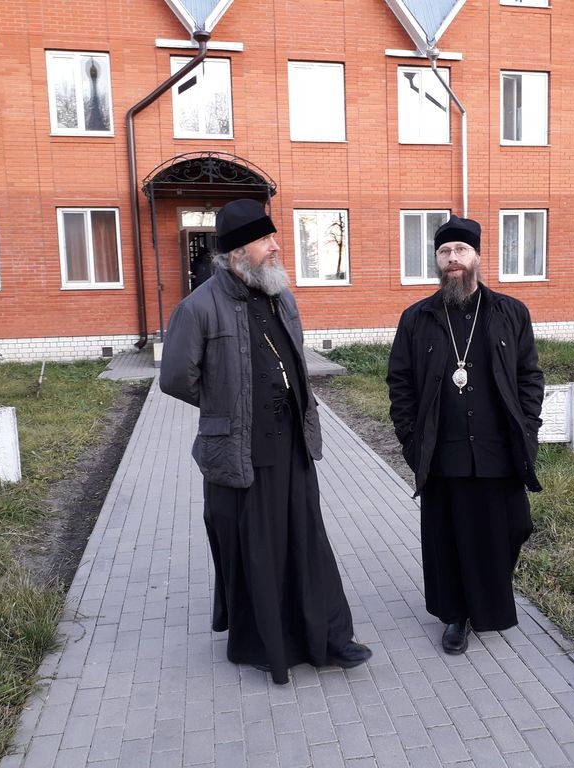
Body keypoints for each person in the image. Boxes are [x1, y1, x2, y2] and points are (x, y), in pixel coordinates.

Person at [159, 198, 372, 684]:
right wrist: (227, 405)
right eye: (264, 239)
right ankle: (265, 645)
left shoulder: (280, 296)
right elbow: (174, 379)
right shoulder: (198, 307)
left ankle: (330, 638)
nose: (276, 246)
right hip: (241, 453)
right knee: (258, 549)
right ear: (237, 252)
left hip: (292, 445)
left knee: (307, 543)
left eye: (273, 237)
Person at [386, 214, 545, 655]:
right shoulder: (417, 318)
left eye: (460, 250)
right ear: (437, 260)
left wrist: (528, 428)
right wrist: (411, 440)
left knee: (510, 526)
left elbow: (529, 376)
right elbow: (400, 383)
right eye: (444, 251)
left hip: (499, 447)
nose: (452, 258)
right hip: (443, 449)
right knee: (449, 536)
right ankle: (456, 615)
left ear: (476, 256)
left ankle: (488, 603)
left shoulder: (510, 312)